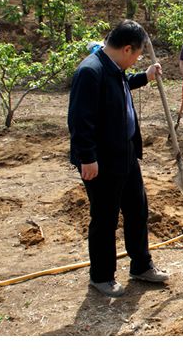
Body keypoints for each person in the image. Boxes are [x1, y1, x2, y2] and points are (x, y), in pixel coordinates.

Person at [67, 21, 169, 296]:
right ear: (126, 49)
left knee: (137, 209)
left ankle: (141, 265)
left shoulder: (113, 67)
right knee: (105, 217)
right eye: (136, 55)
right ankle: (101, 275)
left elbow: (120, 85)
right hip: (101, 160)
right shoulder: (91, 71)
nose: (136, 60)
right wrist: (87, 157)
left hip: (124, 154)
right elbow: (79, 120)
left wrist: (144, 76)